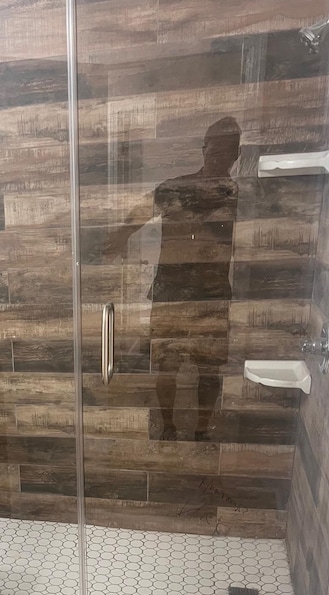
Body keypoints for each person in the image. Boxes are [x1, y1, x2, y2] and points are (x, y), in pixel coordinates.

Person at [105, 117, 242, 441]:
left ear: (237, 154)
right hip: (170, 292)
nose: (218, 155)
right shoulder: (174, 187)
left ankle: (200, 432)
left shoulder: (238, 194)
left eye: (227, 150)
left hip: (212, 296)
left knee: (210, 371)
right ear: (203, 148)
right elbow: (140, 212)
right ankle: (166, 427)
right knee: (165, 366)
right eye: (213, 148)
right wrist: (120, 238)